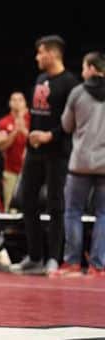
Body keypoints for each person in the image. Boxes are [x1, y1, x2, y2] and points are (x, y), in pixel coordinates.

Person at [10, 35, 78, 275]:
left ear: (52, 54)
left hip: (57, 152)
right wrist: (30, 135)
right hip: (35, 152)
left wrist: (51, 135)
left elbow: (72, 121)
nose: (37, 57)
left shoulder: (70, 83)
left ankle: (53, 257)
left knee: (56, 204)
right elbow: (36, 114)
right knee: (27, 200)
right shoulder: (40, 79)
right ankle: (35, 255)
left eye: (40, 53)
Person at [56, 52, 105, 277]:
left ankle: (73, 263)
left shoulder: (78, 92)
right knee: (103, 214)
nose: (83, 72)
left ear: (93, 68)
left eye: (85, 67)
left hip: (81, 162)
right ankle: (98, 265)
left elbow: (66, 126)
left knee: (73, 212)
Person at [0, 91, 30, 211]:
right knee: (11, 207)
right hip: (11, 171)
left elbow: (37, 143)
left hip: (30, 171)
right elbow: (1, 146)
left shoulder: (32, 120)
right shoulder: (4, 122)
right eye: (14, 100)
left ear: (25, 103)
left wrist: (24, 130)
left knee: (30, 206)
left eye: (20, 100)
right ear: (10, 103)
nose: (17, 103)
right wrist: (15, 131)